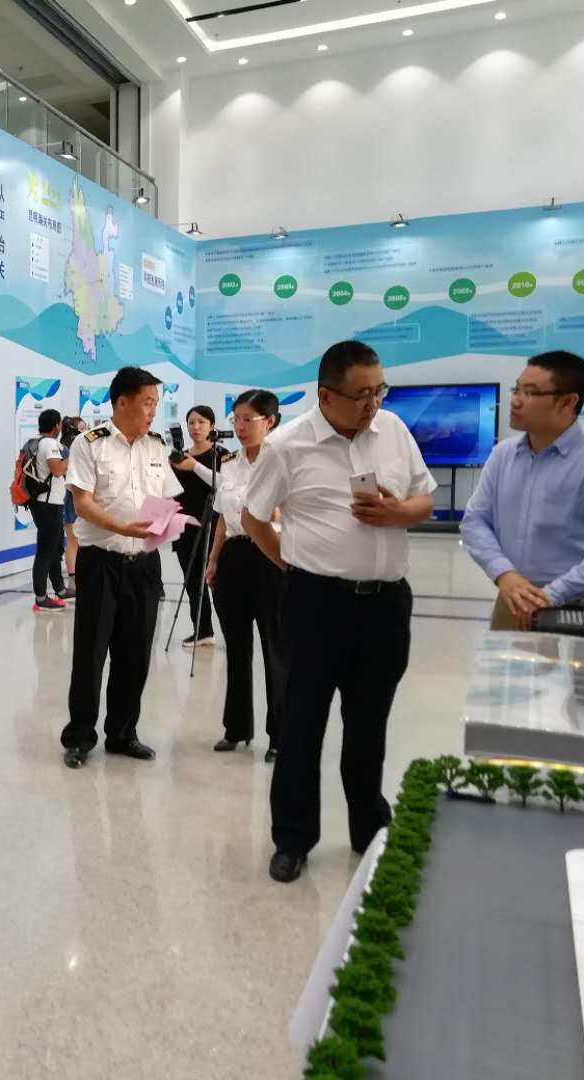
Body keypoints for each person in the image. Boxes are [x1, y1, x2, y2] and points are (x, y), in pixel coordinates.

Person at [241, 341, 436, 884]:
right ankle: (293, 838)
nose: (373, 403)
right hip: (315, 605)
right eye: (361, 395)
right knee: (303, 723)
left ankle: (369, 826)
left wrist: (399, 511)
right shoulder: (287, 446)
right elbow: (254, 518)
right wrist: (292, 566)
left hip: (386, 605)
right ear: (326, 396)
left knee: (369, 723)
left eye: (379, 390)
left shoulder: (393, 430)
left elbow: (425, 499)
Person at [461, 350, 584, 631]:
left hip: (578, 606)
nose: (515, 400)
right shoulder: (503, 456)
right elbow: (475, 521)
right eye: (516, 389)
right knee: (505, 663)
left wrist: (553, 594)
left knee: (575, 664)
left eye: (530, 393)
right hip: (513, 600)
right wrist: (504, 574)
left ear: (568, 401)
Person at [60, 367, 183, 770]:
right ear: (122, 402)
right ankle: (80, 737)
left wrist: (166, 522)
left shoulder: (156, 447)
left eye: (155, 403)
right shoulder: (90, 444)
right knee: (91, 653)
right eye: (147, 403)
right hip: (101, 563)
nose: (153, 411)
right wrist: (124, 527)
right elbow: (83, 503)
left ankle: (123, 733)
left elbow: (168, 498)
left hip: (144, 566)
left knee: (136, 654)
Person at [204, 391, 285, 758]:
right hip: (234, 558)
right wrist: (214, 559)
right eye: (235, 418)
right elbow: (224, 517)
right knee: (236, 648)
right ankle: (236, 728)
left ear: (270, 421)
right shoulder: (229, 464)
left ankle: (280, 735)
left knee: (275, 649)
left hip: (271, 556)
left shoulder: (282, 461)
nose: (240, 426)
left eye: (248, 419)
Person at [170, 404, 232, 648]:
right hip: (185, 526)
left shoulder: (222, 454)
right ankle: (202, 630)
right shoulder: (180, 456)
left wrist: (194, 466)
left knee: (218, 583)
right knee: (193, 582)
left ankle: (231, 634)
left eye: (202, 422)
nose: (196, 427)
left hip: (213, 526)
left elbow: (224, 485)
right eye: (191, 422)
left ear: (212, 426)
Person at [29, 408, 75, 612]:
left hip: (48, 503)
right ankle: (40, 598)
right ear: (56, 425)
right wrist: (72, 456)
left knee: (55, 549)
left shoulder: (39, 442)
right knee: (45, 551)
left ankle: (60, 589)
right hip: (47, 505)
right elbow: (57, 470)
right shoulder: (49, 444)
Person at [60, 416, 87, 576]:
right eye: (82, 428)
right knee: (73, 538)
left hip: (70, 495)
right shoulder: (72, 445)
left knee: (75, 538)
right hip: (71, 496)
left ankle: (75, 572)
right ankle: (73, 574)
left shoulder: (63, 444)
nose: (86, 431)